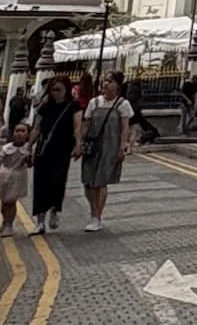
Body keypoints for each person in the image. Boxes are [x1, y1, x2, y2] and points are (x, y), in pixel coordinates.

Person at [75, 70, 133, 233]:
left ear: (118, 85)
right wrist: (79, 143)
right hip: (92, 145)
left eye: (109, 81)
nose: (105, 84)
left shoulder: (123, 104)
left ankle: (96, 217)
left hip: (110, 146)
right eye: (103, 81)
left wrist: (123, 146)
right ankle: (93, 210)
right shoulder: (94, 102)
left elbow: (124, 128)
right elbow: (85, 124)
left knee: (100, 181)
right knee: (88, 181)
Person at [29, 76, 78, 233]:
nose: (55, 93)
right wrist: (29, 146)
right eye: (52, 90)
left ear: (67, 90)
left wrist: (78, 145)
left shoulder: (73, 105)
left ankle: (55, 210)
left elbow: (77, 127)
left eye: (58, 90)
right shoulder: (45, 106)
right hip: (43, 149)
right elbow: (37, 127)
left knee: (57, 181)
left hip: (62, 149)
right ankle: (40, 221)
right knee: (40, 183)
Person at [0, 123, 33, 237]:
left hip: (19, 176)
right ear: (13, 133)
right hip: (4, 176)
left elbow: (30, 164)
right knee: (4, 202)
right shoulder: (7, 148)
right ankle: (5, 221)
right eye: (17, 131)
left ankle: (9, 224)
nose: (20, 133)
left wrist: (29, 159)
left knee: (11, 201)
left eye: (23, 131)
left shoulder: (28, 148)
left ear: (28, 134)